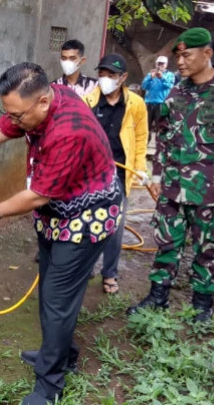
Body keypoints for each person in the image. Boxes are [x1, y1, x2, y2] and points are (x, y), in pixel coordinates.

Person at [0, 62, 122, 404]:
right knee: (52, 292)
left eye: (17, 115)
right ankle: (60, 353)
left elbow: (39, 194)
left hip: (86, 219)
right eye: (10, 112)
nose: (12, 120)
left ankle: (49, 387)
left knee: (57, 300)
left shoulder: (68, 132)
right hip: (57, 215)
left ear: (43, 102)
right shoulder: (39, 103)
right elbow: (2, 129)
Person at [126, 28, 214, 322]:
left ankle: (202, 306)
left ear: (207, 53)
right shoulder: (176, 92)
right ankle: (157, 298)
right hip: (173, 188)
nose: (180, 61)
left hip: (211, 192)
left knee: (207, 249)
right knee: (166, 243)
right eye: (178, 55)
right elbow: (163, 138)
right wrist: (158, 177)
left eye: (187, 55)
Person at [82, 53, 149, 295]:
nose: (105, 79)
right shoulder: (88, 101)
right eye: (102, 74)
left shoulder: (136, 105)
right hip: (90, 175)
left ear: (123, 78)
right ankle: (86, 267)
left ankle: (109, 273)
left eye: (111, 75)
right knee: (87, 222)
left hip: (120, 174)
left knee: (115, 226)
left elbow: (141, 138)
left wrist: (140, 168)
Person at [141, 56, 175, 142]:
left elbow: (170, 86)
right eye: (159, 63)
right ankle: (144, 146)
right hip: (149, 103)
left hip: (162, 104)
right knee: (145, 127)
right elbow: (144, 86)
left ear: (166, 65)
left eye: (162, 64)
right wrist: (150, 78)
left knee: (160, 127)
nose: (160, 66)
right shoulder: (151, 74)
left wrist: (162, 78)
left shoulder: (170, 75)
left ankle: (159, 148)